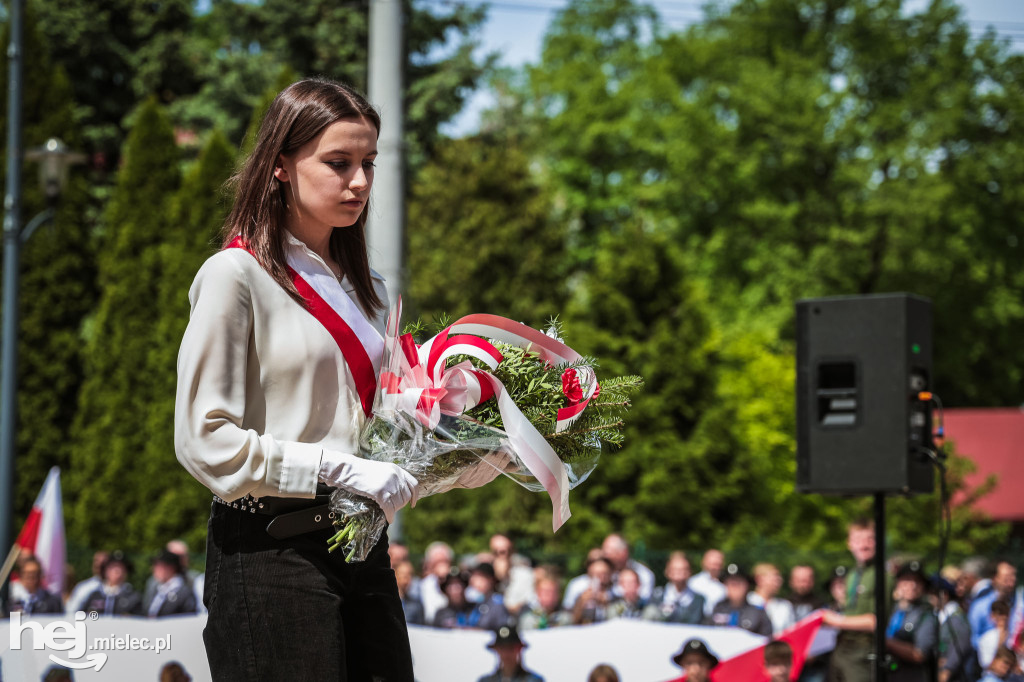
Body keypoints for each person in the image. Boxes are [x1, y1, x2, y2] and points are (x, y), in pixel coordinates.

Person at [174, 77, 430, 680]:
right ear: (282, 165)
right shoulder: (234, 276)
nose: (361, 181)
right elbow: (203, 440)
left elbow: (390, 435)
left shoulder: (373, 293)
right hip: (268, 549)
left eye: (368, 162)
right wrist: (339, 468)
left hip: (362, 544)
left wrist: (483, 437)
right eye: (338, 163)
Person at [823, 518, 890, 682]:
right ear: (849, 543)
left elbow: (876, 622)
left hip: (864, 651)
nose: (864, 545)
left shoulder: (882, 576)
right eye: (858, 540)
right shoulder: (853, 575)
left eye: (870, 539)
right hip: (842, 648)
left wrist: (835, 620)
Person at [884, 561, 937, 682]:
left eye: (917, 582)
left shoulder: (926, 615)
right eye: (907, 580)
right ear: (897, 583)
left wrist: (886, 643)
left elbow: (919, 654)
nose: (912, 585)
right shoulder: (890, 610)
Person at [707, 563, 773, 637]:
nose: (735, 587)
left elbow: (766, 639)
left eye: (738, 583)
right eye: (731, 583)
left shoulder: (758, 613)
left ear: (747, 585)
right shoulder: (717, 609)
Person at [644, 551, 705, 624]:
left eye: (683, 569)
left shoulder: (699, 599)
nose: (679, 572)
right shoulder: (656, 596)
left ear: (690, 572)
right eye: (675, 569)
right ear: (667, 572)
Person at [932, 575, 973, 682]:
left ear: (944, 595)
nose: (929, 598)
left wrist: (947, 669)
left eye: (933, 594)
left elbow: (959, 647)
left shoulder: (956, 619)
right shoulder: (938, 616)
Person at [970, 561, 1018, 649]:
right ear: (995, 579)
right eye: (1006, 579)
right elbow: (972, 638)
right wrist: (991, 644)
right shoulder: (980, 606)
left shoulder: (1018, 604)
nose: (1010, 583)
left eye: (1013, 578)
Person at [80, 551, 143, 616]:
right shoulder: (95, 595)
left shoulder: (133, 597)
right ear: (105, 571)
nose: (117, 571)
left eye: (121, 568)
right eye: (112, 568)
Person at [477, 626, 544, 682]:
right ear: (496, 650)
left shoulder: (534, 680)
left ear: (519, 649)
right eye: (502, 649)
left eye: (511, 648)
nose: (506, 654)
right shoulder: (485, 680)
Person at [145, 550, 197, 618]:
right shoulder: (157, 589)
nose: (153, 569)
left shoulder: (184, 592)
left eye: (158, 565)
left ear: (171, 568)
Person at [602, 533, 655, 600]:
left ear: (623, 553)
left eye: (609, 554)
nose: (605, 558)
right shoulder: (602, 574)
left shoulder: (643, 574)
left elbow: (644, 598)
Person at [749, 562, 797, 635]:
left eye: (779, 578)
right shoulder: (748, 601)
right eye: (775, 577)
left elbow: (791, 632)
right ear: (759, 579)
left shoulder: (785, 606)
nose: (779, 581)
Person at [571, 556, 616, 625]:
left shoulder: (616, 590)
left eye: (604, 574)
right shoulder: (579, 589)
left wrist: (606, 604)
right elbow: (572, 619)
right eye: (597, 574)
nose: (601, 578)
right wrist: (581, 603)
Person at [66, 550, 108, 615]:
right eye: (96, 561)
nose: (98, 565)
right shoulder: (83, 587)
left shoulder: (124, 589)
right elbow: (71, 611)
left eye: (103, 562)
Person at [690, 549, 727, 616]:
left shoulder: (726, 584)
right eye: (713, 564)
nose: (715, 568)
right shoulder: (693, 583)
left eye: (718, 564)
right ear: (703, 563)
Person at [978, 600, 1012, 670]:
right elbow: (987, 665)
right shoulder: (986, 638)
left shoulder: (1012, 636)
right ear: (992, 617)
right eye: (1000, 618)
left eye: (1004, 619)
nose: (1002, 622)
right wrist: (999, 643)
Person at [395, 560, 426, 625]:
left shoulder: (416, 605)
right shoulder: (384, 601)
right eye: (403, 574)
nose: (406, 578)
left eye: (410, 574)